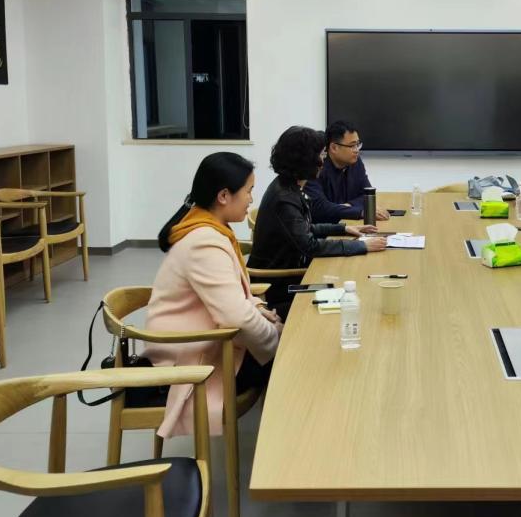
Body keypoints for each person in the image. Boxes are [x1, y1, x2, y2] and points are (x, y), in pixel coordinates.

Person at [145, 152, 282, 438]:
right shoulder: (204, 242)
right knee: (292, 359)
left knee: (291, 345)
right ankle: (285, 449)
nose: (251, 199)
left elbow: (234, 293)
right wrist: (276, 338)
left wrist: (258, 308)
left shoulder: (211, 230)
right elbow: (236, 316)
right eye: (248, 191)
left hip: (208, 343)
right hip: (190, 361)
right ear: (223, 196)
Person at [249, 126, 386, 317]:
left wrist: (344, 229)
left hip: (295, 273)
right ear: (306, 160)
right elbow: (310, 246)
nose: (323, 161)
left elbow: (304, 228)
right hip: (280, 286)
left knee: (352, 285)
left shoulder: (289, 186)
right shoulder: (284, 198)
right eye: (321, 155)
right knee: (355, 295)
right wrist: (361, 246)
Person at [306, 120, 391, 224]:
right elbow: (320, 207)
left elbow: (368, 195)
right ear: (334, 147)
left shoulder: (355, 162)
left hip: (348, 224)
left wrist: (347, 206)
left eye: (358, 145)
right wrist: (360, 212)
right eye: (352, 146)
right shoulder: (316, 166)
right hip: (324, 229)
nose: (356, 150)